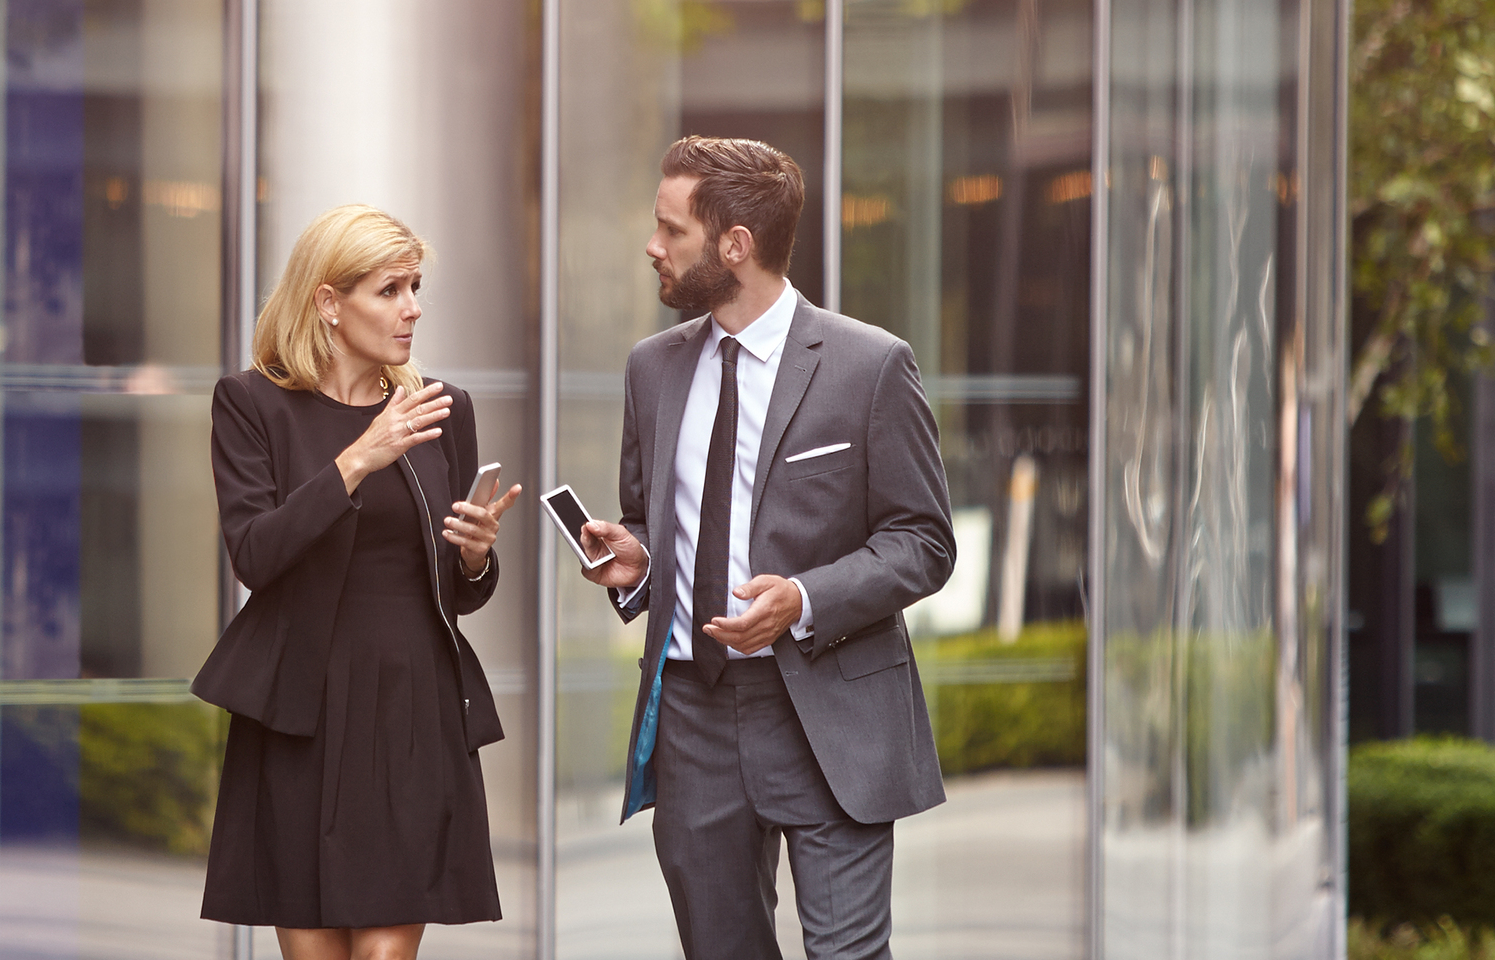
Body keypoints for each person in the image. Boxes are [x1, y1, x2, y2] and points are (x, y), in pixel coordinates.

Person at [574, 137, 954, 960]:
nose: (652, 247)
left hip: (829, 711)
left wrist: (804, 599)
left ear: (732, 246)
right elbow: (650, 521)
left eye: (670, 231)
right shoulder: (651, 368)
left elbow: (922, 541)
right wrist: (635, 561)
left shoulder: (870, 365)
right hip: (692, 717)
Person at [196, 204, 523, 960]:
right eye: (388, 290)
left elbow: (457, 590)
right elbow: (254, 553)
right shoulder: (250, 404)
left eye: (414, 287)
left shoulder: (440, 407)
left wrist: (474, 555)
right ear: (328, 302)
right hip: (299, 707)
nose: (411, 308)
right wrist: (355, 460)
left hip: (411, 702)